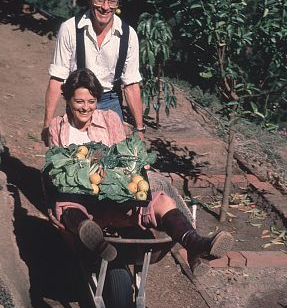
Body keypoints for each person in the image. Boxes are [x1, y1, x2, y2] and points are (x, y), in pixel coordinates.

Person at [47, 68, 234, 276]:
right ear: (68, 100)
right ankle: (95, 243)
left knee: (163, 201)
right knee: (66, 209)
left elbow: (124, 156)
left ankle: (195, 242)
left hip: (118, 198)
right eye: (79, 102)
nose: (86, 107)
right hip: (83, 202)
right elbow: (60, 168)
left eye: (91, 101)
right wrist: (94, 164)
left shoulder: (109, 119)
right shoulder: (58, 126)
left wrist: (131, 165)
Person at [42, 0, 144, 146]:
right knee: (74, 160)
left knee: (114, 163)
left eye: (112, 2)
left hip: (111, 101)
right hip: (79, 102)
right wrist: (47, 124)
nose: (105, 7)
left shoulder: (128, 35)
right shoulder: (70, 29)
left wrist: (140, 128)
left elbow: (131, 84)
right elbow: (57, 78)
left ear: (117, 3)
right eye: (100, 0)